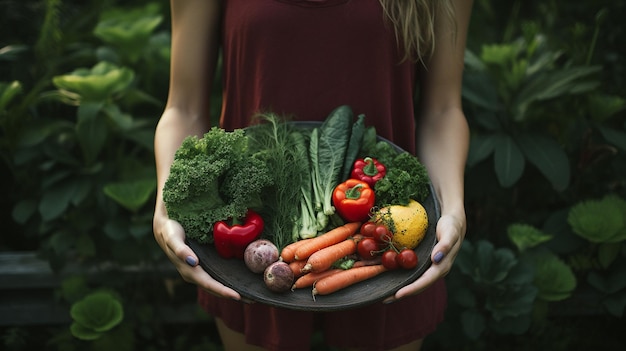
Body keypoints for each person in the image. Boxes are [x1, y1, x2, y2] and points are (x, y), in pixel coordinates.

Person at [153, 0, 472, 350]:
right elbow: (183, 107)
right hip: (252, 238)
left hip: (386, 238)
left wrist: (452, 207)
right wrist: (168, 206)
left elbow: (442, 109)